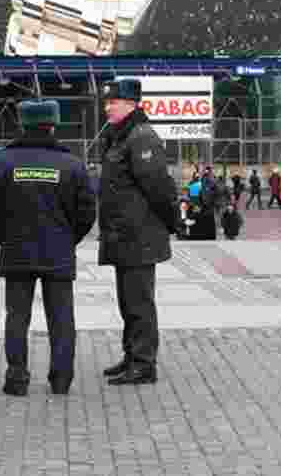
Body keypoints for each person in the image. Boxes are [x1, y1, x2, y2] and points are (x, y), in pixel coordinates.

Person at [0, 100, 96, 397]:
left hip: (16, 251)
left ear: (22, 124)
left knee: (17, 317)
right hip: (58, 252)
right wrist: (68, 240)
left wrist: (6, 238)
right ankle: (61, 379)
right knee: (61, 317)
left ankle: (16, 379)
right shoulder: (72, 164)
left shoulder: (2, 162)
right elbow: (86, 213)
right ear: (53, 124)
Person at [97, 78, 177, 386]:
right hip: (124, 234)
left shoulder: (141, 137)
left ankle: (144, 363)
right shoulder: (121, 136)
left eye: (112, 102)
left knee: (139, 302)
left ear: (130, 104)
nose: (107, 107)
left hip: (139, 234)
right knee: (128, 301)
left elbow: (158, 188)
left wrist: (171, 223)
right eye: (106, 102)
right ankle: (132, 355)